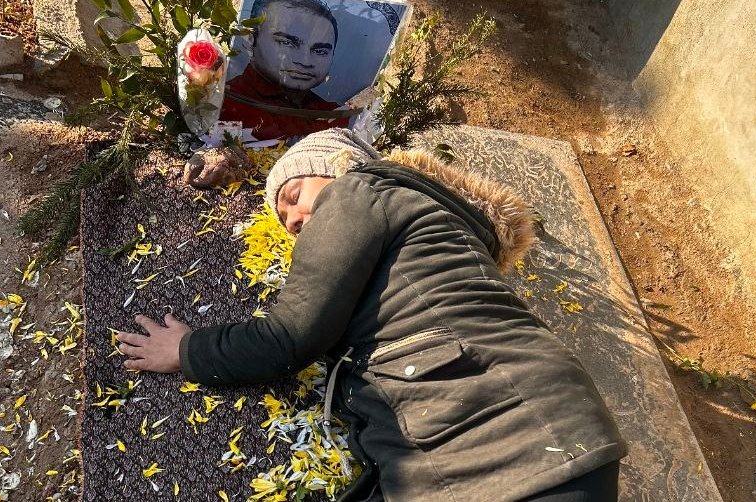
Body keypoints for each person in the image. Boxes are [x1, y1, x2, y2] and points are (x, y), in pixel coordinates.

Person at [116, 129, 626, 501]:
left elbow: (288, 336)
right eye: (286, 221)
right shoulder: (425, 237)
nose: (295, 221)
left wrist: (187, 349)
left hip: (511, 435)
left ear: (335, 164)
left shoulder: (359, 190)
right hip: (530, 436)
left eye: (293, 197)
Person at [220, 0, 351, 140]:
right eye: (287, 43)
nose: (305, 61)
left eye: (320, 51)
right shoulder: (221, 104)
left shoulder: (336, 115)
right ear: (251, 40)